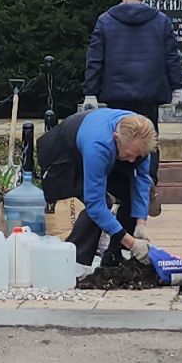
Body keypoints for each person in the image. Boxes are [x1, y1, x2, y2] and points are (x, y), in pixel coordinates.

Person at [36, 107, 157, 269]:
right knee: (100, 203)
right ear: (116, 137)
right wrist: (132, 242)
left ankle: (114, 256)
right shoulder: (98, 146)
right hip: (63, 156)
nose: (132, 160)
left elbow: (141, 179)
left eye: (138, 155)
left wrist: (140, 222)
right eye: (129, 154)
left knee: (131, 188)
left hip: (107, 149)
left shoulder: (141, 139)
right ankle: (73, 261)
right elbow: (95, 205)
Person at [83, 0, 182, 134]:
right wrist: (177, 90)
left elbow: (95, 59)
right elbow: (171, 58)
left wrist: (90, 93)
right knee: (149, 141)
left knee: (120, 142)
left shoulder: (105, 21)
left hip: (116, 93)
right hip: (150, 92)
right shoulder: (160, 20)